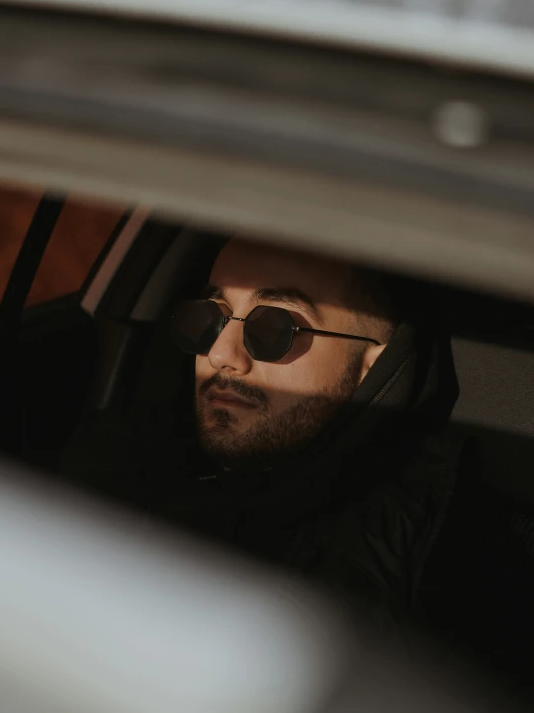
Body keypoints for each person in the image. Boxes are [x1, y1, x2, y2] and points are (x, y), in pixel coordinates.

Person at [62, 237, 463, 628]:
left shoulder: (397, 564)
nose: (221, 354)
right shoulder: (119, 455)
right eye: (209, 317)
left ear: (372, 366)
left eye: (274, 327)